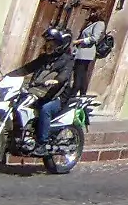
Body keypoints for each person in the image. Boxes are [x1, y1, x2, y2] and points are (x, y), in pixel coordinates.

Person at [18, 26, 77, 155]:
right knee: (20, 103)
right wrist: (8, 75)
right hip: (41, 92)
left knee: (45, 109)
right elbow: (27, 68)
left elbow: (65, 75)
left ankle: (42, 143)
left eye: (52, 44)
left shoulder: (67, 60)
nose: (49, 46)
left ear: (60, 45)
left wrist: (56, 80)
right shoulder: (44, 58)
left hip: (59, 96)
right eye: (48, 43)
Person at [71, 12, 106, 96]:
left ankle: (74, 92)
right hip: (82, 52)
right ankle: (82, 94)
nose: (91, 14)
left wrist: (79, 41)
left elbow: (95, 38)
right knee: (82, 73)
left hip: (86, 52)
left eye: (93, 12)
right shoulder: (92, 23)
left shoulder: (99, 24)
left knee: (79, 73)